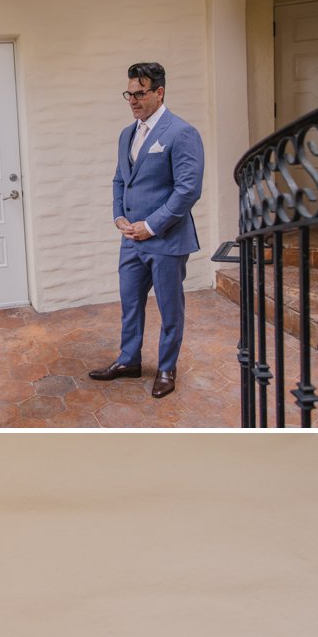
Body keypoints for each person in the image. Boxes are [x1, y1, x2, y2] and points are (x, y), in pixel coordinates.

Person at [90, 59, 203, 401]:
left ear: (159, 92)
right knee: (130, 304)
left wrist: (151, 226)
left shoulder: (182, 132)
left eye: (140, 94)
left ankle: (167, 369)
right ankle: (129, 361)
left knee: (170, 309)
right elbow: (119, 179)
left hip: (166, 240)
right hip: (131, 240)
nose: (133, 100)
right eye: (129, 93)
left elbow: (188, 189)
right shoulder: (127, 134)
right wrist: (118, 218)